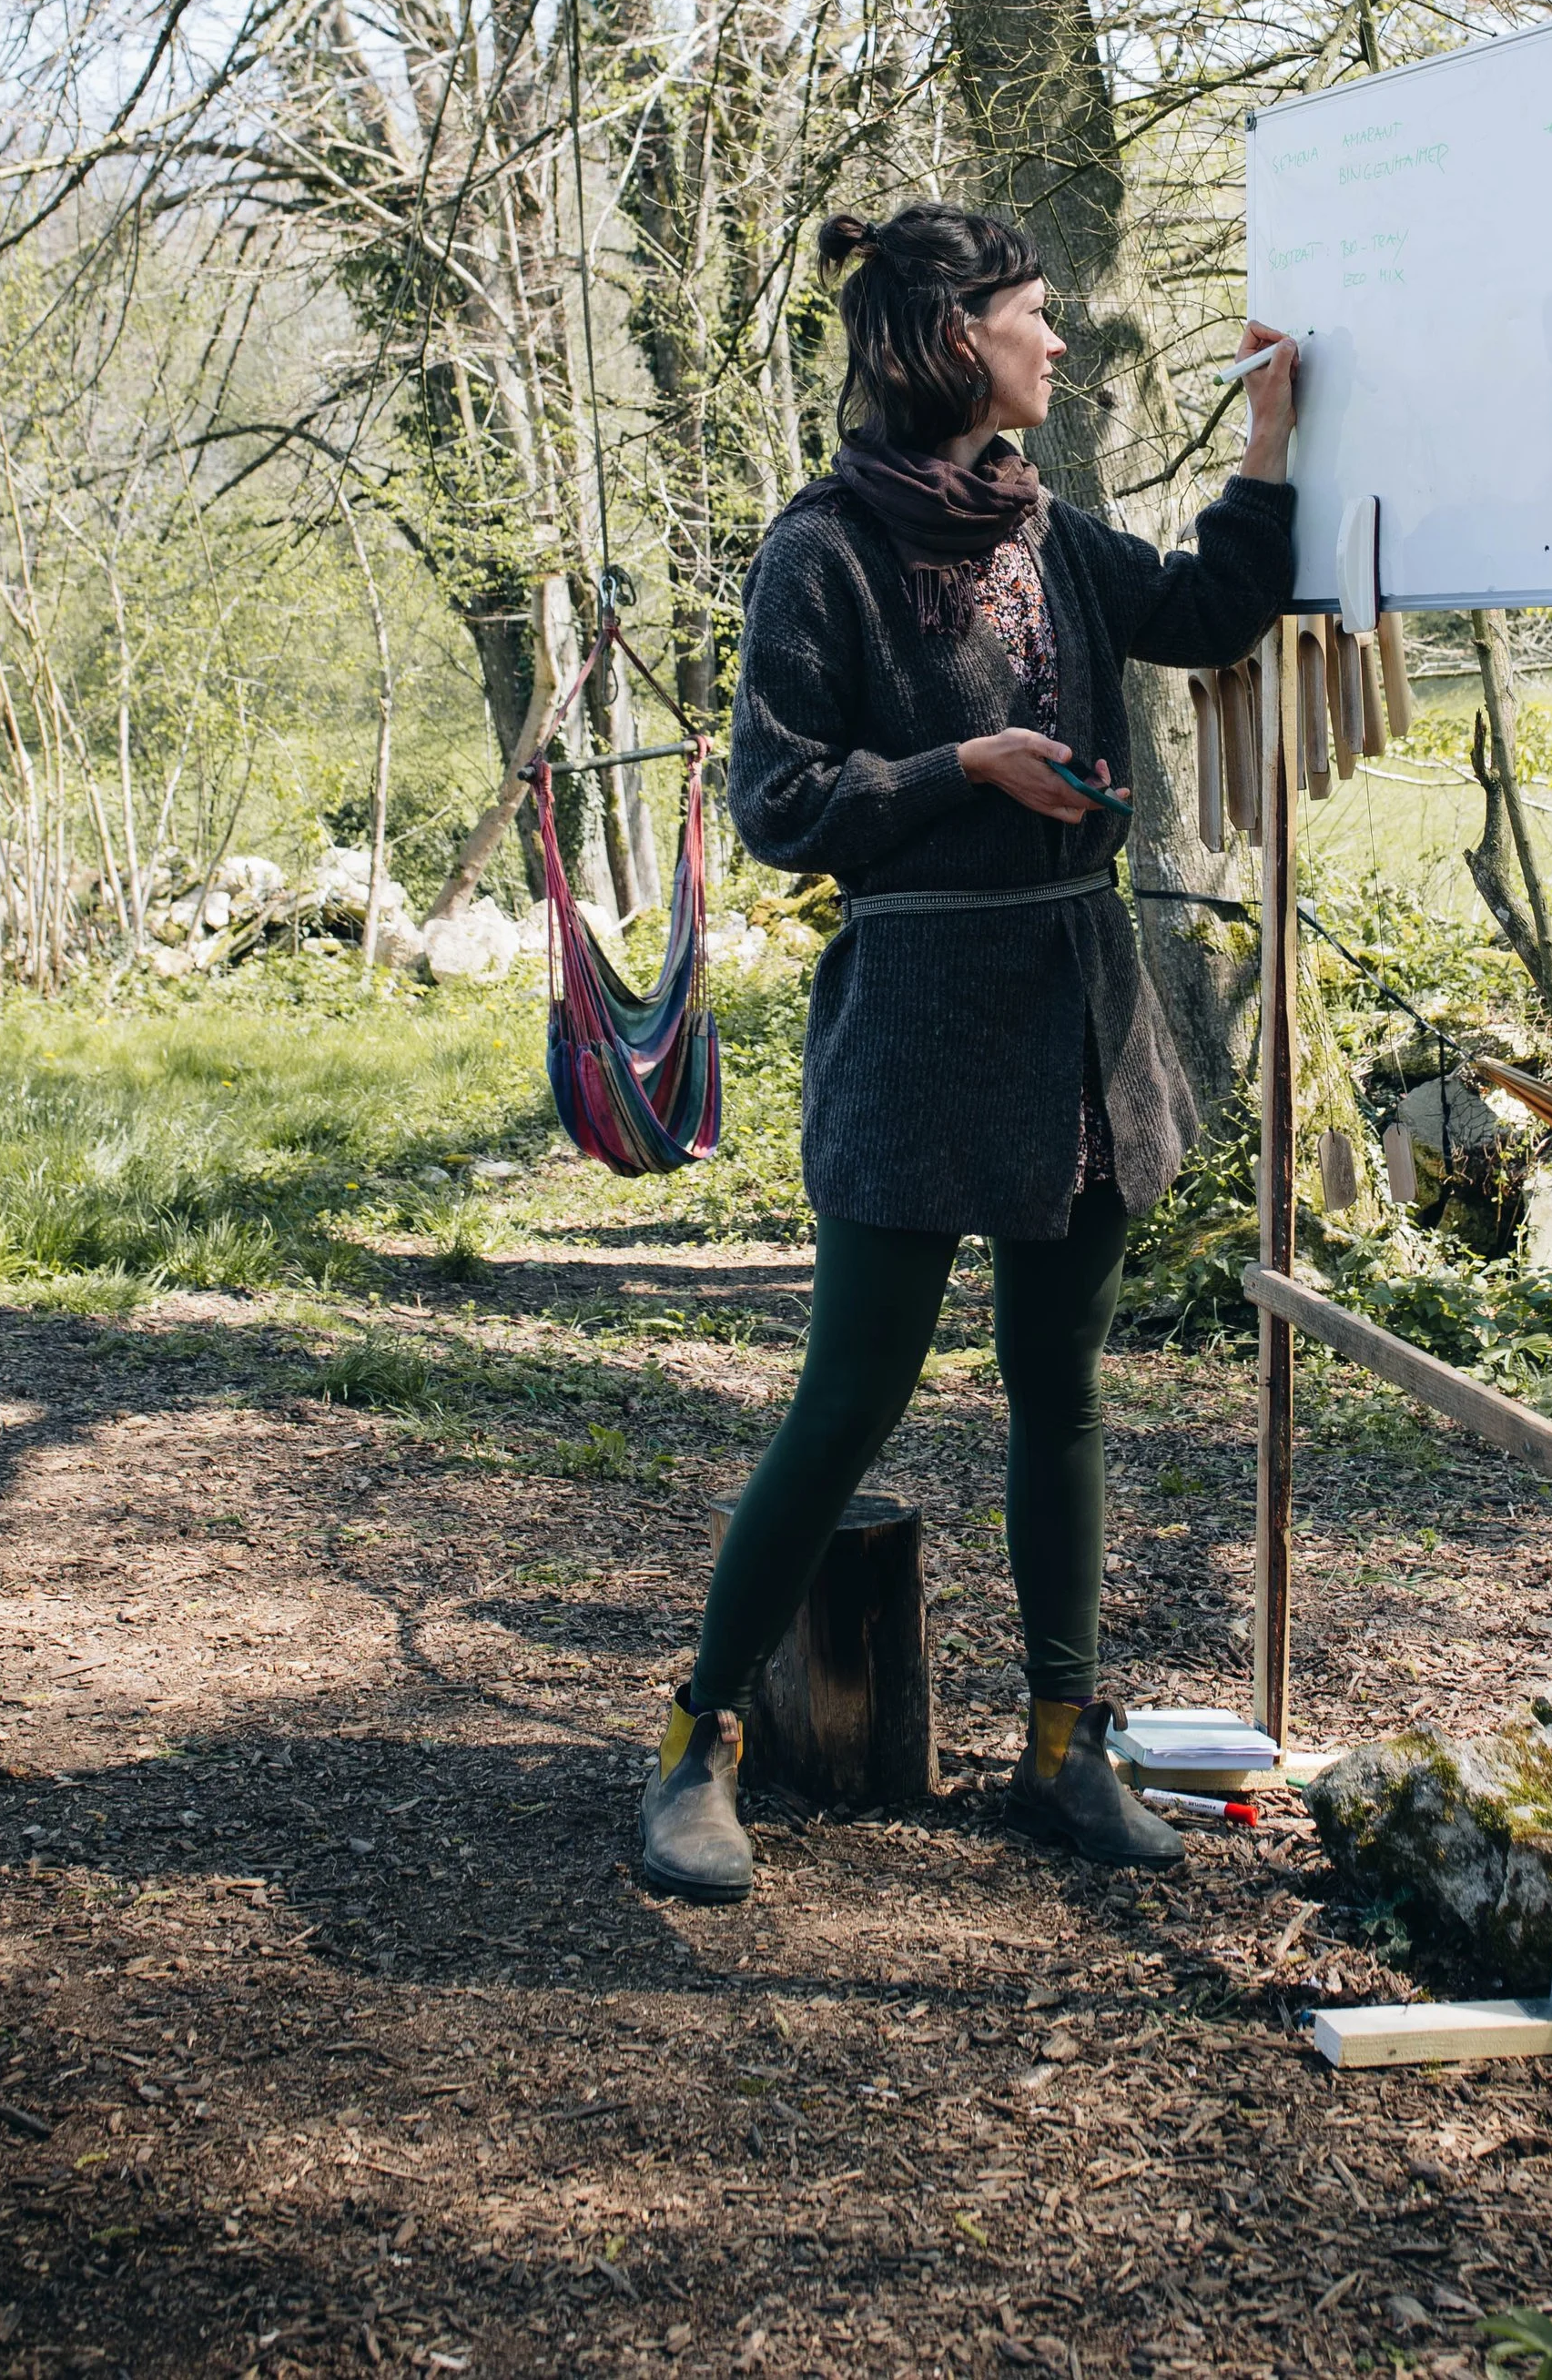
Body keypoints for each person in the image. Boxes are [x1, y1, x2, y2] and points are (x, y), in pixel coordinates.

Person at [638, 203, 1298, 1900]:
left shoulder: (1048, 526)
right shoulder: (827, 548)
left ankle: (1066, 1744)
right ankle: (698, 1741)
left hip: (1078, 1011)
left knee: (1059, 1392)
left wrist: (1272, 444)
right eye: (1033, 313)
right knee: (850, 1399)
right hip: (917, 1029)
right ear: (953, 339)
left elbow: (1215, 609)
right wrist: (964, 770)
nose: (1058, 341)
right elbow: (779, 800)